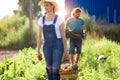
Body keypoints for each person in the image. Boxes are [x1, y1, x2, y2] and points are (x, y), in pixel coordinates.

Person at [37, 0, 68, 80]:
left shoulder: (59, 19)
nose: (45, 7)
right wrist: (38, 51)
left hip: (57, 45)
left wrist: (65, 51)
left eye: (47, 5)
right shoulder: (41, 20)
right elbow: (40, 37)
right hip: (46, 46)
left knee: (55, 70)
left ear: (52, 6)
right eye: (44, 5)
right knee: (49, 69)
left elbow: (63, 36)